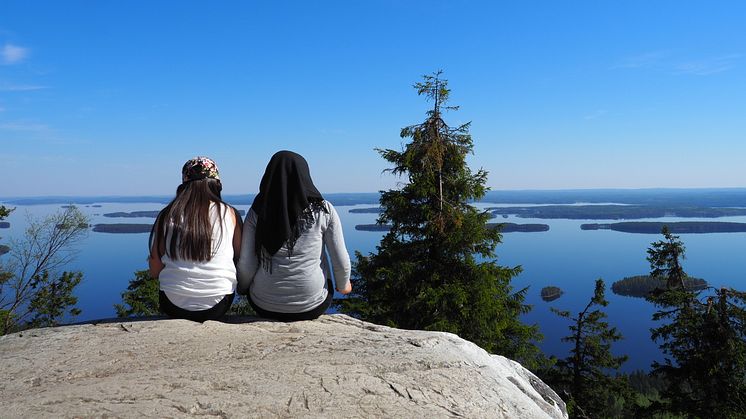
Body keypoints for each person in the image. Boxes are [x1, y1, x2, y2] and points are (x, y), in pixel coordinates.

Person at [237, 150, 351, 321]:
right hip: (311, 306)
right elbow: (339, 258)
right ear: (304, 175)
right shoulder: (323, 209)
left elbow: (247, 262)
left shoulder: (257, 211)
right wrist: (343, 285)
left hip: (264, 305)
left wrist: (243, 288)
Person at [148, 156, 242, 322]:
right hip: (218, 304)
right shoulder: (230, 213)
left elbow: (155, 270)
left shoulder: (168, 214)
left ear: (184, 184)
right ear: (216, 183)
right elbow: (239, 258)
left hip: (172, 304)